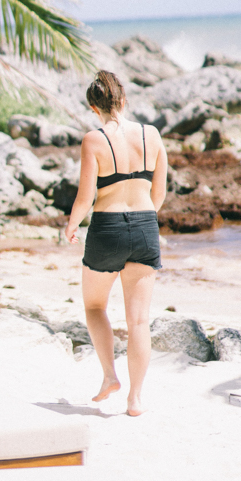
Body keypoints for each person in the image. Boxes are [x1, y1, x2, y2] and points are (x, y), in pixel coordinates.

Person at [65, 69, 167, 416]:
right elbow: (160, 194)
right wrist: (141, 223)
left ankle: (110, 376)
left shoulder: (93, 140)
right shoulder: (151, 135)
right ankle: (135, 399)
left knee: (95, 307)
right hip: (144, 225)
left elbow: (84, 198)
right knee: (138, 321)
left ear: (95, 107)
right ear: (123, 100)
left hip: (106, 227)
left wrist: (71, 225)